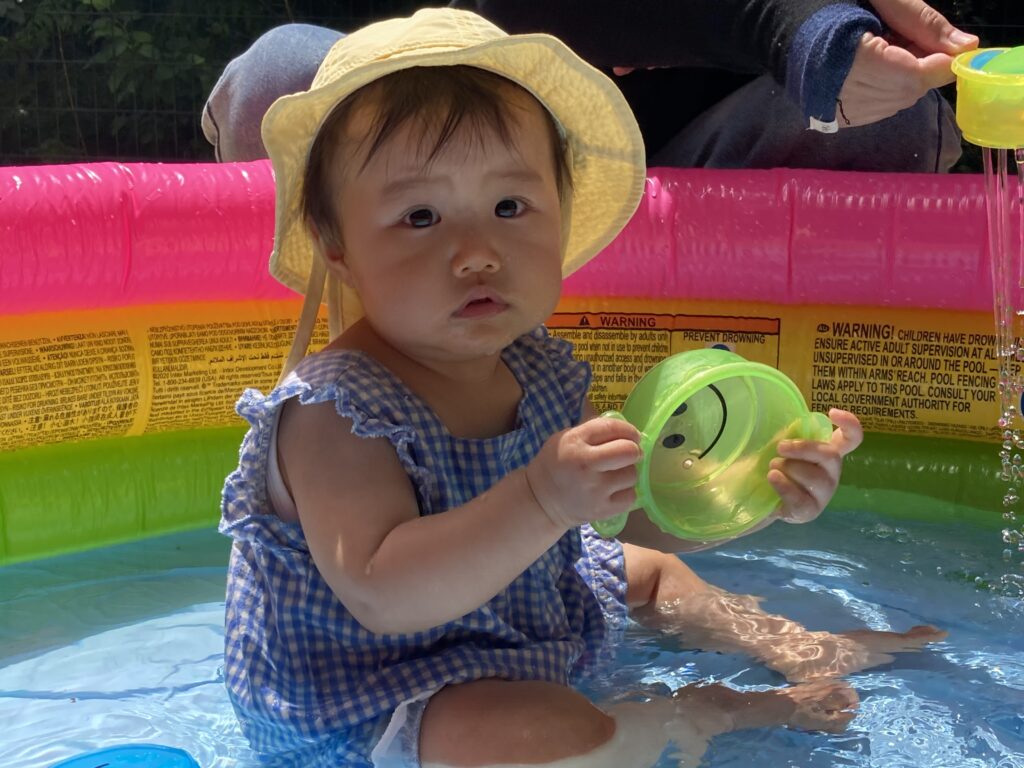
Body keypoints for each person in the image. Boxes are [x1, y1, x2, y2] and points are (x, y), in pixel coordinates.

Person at [218, 8, 946, 767]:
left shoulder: (535, 370)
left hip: (515, 641)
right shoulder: (335, 411)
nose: (476, 252)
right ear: (337, 247)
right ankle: (701, 713)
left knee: (652, 575)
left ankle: (797, 646)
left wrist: (754, 489)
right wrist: (542, 499)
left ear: (560, 216)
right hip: (372, 707)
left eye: (510, 207)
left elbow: (625, 517)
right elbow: (382, 592)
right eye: (420, 216)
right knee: (535, 732)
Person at [202, 0, 978, 173]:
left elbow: (919, 57)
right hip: (488, 138)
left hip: (707, 175)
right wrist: (784, 25)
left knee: (898, 121)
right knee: (283, 74)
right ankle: (301, 363)